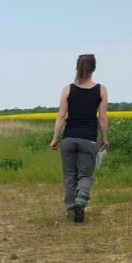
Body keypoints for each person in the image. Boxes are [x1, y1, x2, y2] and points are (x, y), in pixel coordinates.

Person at [49, 54, 109, 223]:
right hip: (88, 139)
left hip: (68, 139)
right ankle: (80, 201)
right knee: (85, 175)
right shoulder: (101, 90)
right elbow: (102, 117)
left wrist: (55, 138)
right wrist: (104, 138)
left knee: (69, 175)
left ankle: (71, 210)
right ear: (94, 68)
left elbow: (61, 115)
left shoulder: (67, 89)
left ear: (77, 68)